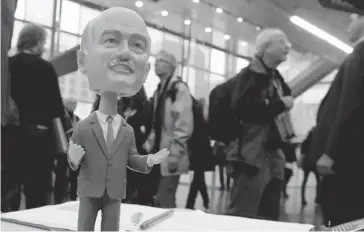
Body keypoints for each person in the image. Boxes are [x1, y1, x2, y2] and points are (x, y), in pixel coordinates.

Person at [67, 8, 169, 231]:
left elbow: (131, 159)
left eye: (137, 45)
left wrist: (149, 160)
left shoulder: (127, 130)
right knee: (85, 226)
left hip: (114, 193)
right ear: (82, 60)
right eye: (111, 40)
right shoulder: (84, 127)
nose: (126, 54)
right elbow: (73, 159)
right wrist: (73, 159)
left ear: (145, 72)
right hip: (89, 190)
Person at [221, 28, 293, 220]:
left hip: (272, 153)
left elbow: (286, 95)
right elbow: (244, 110)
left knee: (269, 213)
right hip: (251, 154)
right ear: (266, 47)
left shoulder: (274, 76)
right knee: (242, 213)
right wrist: (279, 105)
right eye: (281, 41)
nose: (288, 46)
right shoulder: (249, 77)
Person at [307, 14, 364, 226]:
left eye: (352, 19)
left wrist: (330, 152)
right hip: (355, 156)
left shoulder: (360, 54)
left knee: (344, 218)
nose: (348, 25)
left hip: (346, 159)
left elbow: (350, 106)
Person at [9, 23, 65, 209]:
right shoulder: (46, 68)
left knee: (11, 190)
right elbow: (56, 108)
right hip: (39, 140)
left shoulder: (8, 65)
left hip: (11, 136)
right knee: (37, 194)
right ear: (38, 42)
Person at [144, 50, 193, 208]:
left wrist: (175, 153)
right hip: (158, 153)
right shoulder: (160, 90)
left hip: (171, 154)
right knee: (158, 199)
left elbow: (184, 124)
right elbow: (156, 123)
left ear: (172, 67)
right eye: (156, 60)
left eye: (161, 61)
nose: (156, 63)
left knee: (165, 198)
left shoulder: (178, 89)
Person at [298, 127, 321, 206]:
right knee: (318, 181)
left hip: (307, 163)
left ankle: (303, 199)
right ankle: (318, 198)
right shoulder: (317, 142)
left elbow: (302, 154)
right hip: (315, 163)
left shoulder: (305, 142)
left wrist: (300, 163)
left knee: (304, 181)